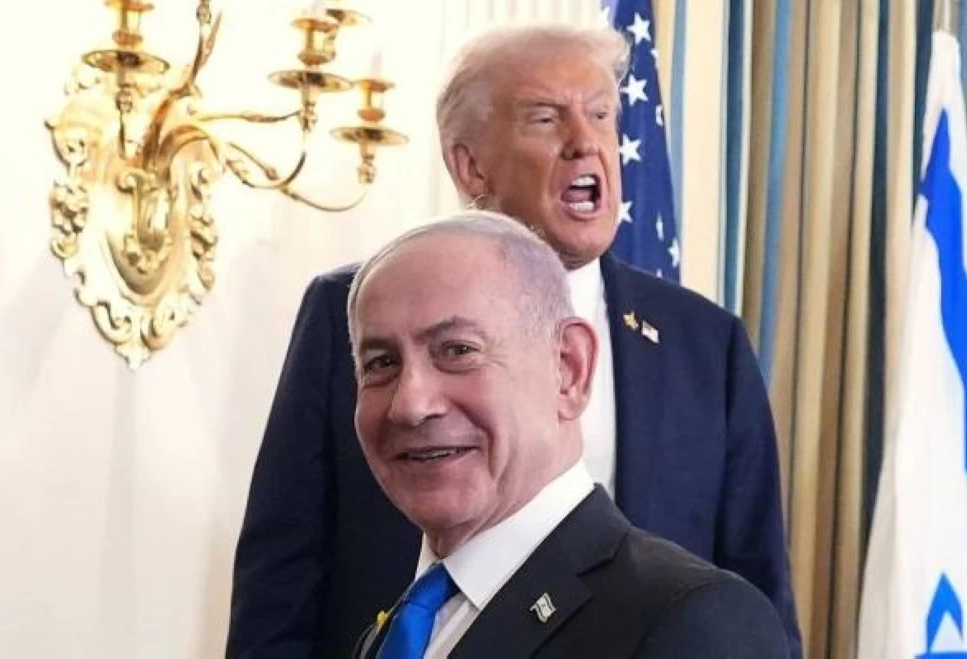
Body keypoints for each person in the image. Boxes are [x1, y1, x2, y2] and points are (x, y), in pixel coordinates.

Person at [228, 23, 800, 658]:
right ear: (470, 163)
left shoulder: (705, 342)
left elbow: (756, 589)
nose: (585, 143)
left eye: (602, 115)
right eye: (546, 118)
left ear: (570, 366)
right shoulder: (355, 305)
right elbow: (282, 573)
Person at [347, 212, 787, 658]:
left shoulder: (693, 622)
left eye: (458, 350)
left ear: (568, 370)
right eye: (381, 363)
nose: (410, 405)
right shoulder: (399, 628)